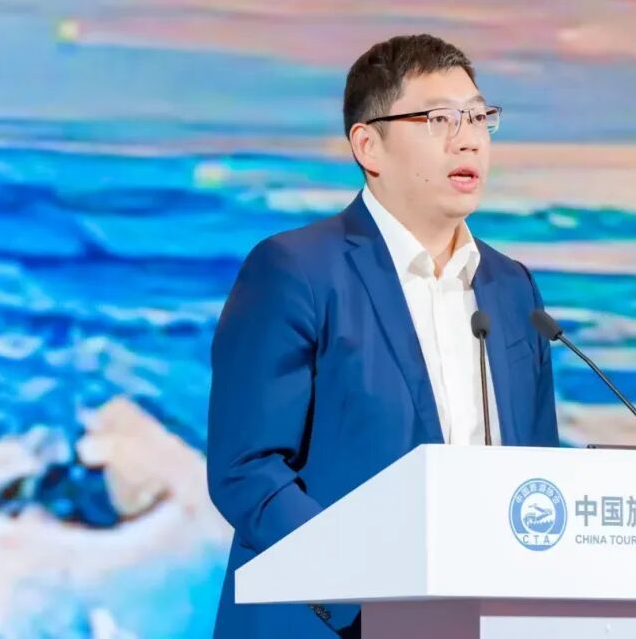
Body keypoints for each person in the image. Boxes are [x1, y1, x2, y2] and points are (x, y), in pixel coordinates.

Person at [206, 34, 560, 638]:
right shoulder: (296, 270)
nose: (469, 139)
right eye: (439, 119)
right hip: (337, 623)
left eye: (479, 117)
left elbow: (538, 475)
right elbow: (248, 469)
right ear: (369, 145)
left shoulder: (511, 288)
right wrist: (366, 598)